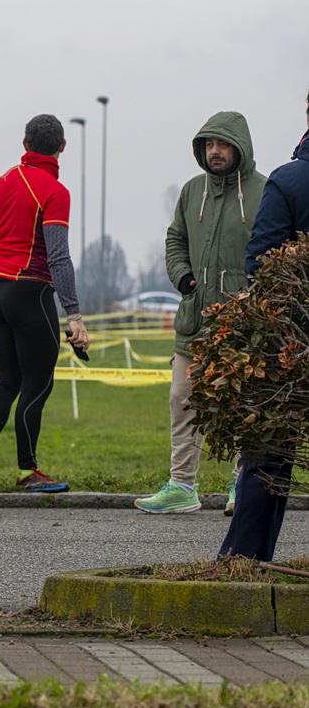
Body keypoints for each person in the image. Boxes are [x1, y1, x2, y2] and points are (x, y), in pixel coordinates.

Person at [135, 113, 262, 515]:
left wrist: (253, 296)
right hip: (194, 319)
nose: (215, 152)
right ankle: (182, 486)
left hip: (242, 323)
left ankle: (241, 486)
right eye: (209, 145)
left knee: (243, 405)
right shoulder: (192, 190)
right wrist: (184, 279)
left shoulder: (263, 191)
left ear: (239, 147)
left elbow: (275, 246)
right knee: (181, 399)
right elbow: (175, 238)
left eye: (222, 145)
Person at [0, 114, 90, 492]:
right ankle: (27, 471)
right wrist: (74, 313)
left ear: (25, 144)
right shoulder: (55, 191)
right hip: (31, 294)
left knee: (6, 382)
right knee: (37, 384)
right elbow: (58, 256)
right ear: (62, 146)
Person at [219, 89, 309, 562]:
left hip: (292, 341)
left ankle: (243, 562)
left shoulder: (290, 180)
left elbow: (262, 266)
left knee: (268, 458)